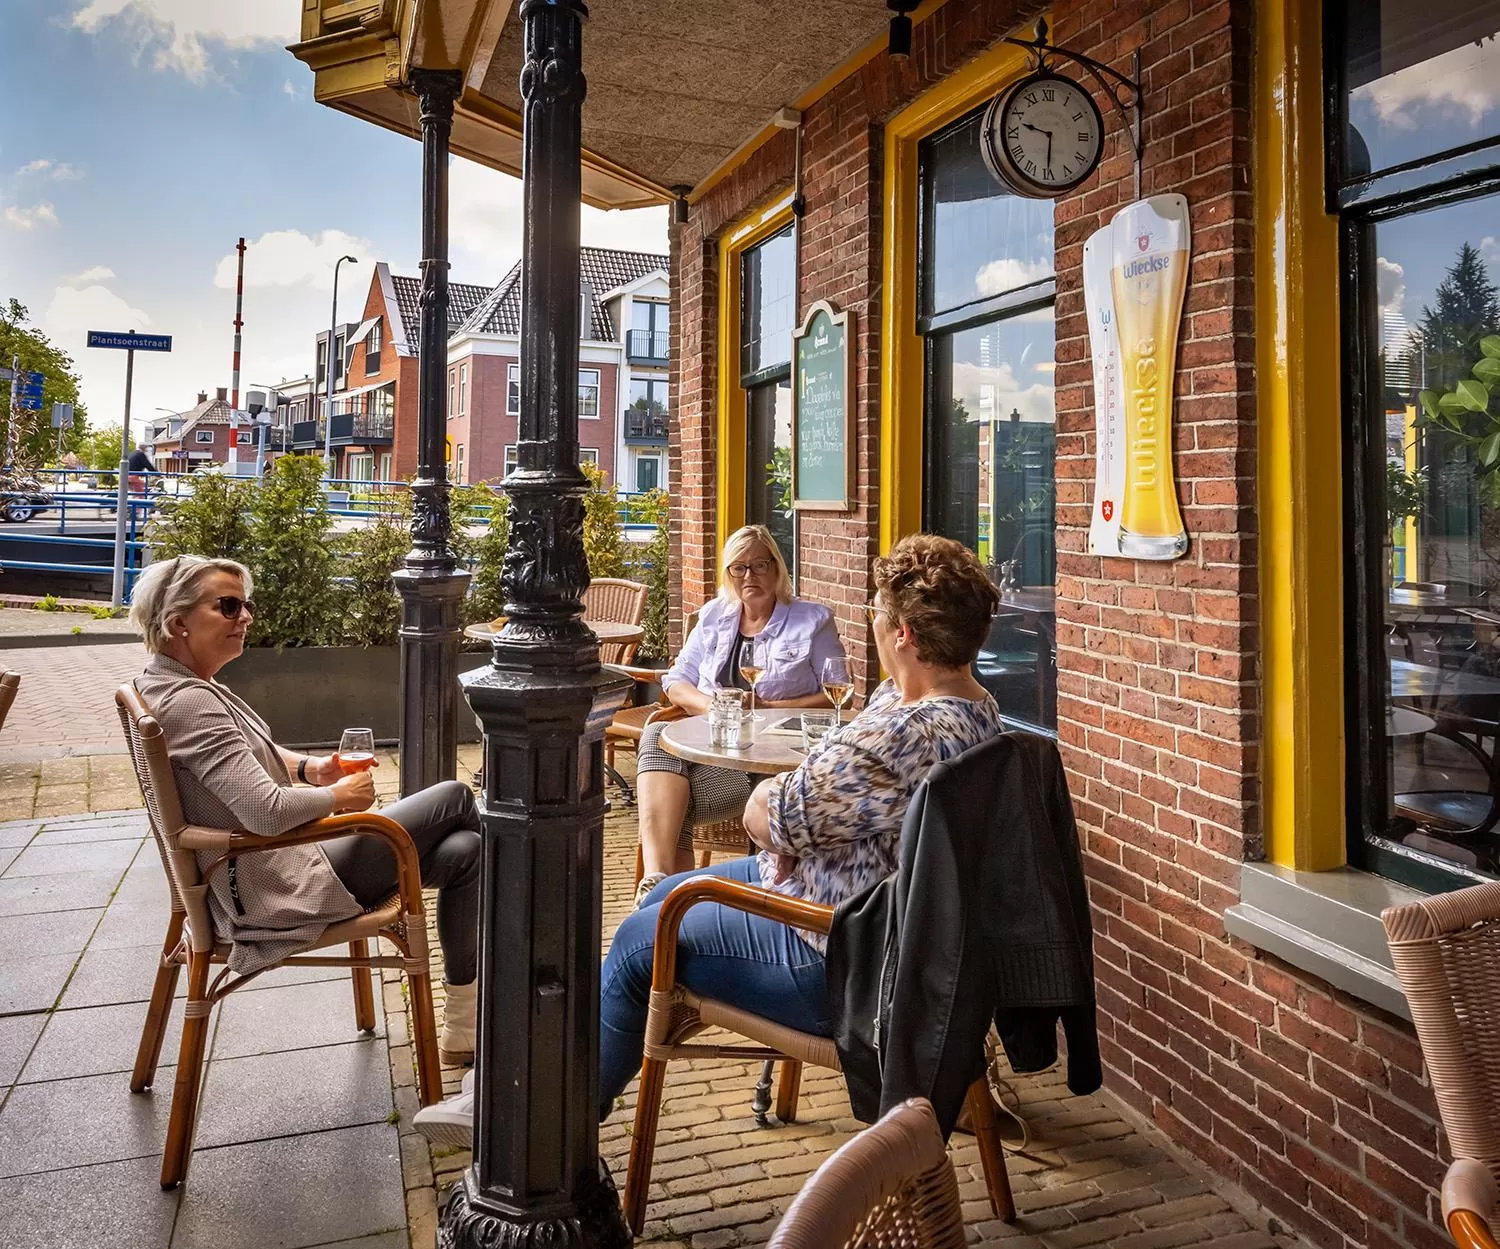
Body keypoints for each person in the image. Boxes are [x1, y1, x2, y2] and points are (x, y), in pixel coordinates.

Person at [410, 533, 1007, 1147]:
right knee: (659, 896)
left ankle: (538, 1122)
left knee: (642, 942)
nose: (873, 622)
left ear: (903, 634)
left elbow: (767, 818)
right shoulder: (977, 710)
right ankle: (548, 1076)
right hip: (872, 919)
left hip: (843, 959)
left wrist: (773, 795)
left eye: (878, 612)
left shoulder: (903, 735)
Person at [128, 554, 482, 1067]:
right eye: (228, 606)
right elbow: (266, 811)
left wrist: (311, 769)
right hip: (274, 887)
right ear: (177, 621)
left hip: (269, 867)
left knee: (466, 851)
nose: (246, 616)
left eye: (246, 605)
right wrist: (341, 797)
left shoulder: (171, 684)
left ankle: (464, 1024)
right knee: (455, 797)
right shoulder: (190, 702)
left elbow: (247, 754)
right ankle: (513, 964)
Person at [632, 523, 845, 906]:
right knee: (656, 736)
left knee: (672, 808)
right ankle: (658, 884)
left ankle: (662, 902)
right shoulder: (714, 615)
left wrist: (769, 710)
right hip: (711, 752)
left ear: (777, 568)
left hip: (768, 766)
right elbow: (676, 680)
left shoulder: (812, 620)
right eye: (739, 567)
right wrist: (714, 707)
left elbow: (836, 696)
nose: (750, 576)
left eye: (760, 565)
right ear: (729, 573)